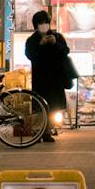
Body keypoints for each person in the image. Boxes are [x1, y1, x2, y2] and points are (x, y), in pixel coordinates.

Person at [23, 10, 71, 143]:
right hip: (40, 78)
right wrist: (40, 45)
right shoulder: (32, 40)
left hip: (55, 78)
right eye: (41, 23)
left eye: (46, 23)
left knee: (53, 106)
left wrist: (56, 43)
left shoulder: (57, 37)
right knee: (40, 106)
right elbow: (29, 55)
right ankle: (39, 131)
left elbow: (65, 52)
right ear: (36, 25)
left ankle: (47, 131)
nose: (44, 25)